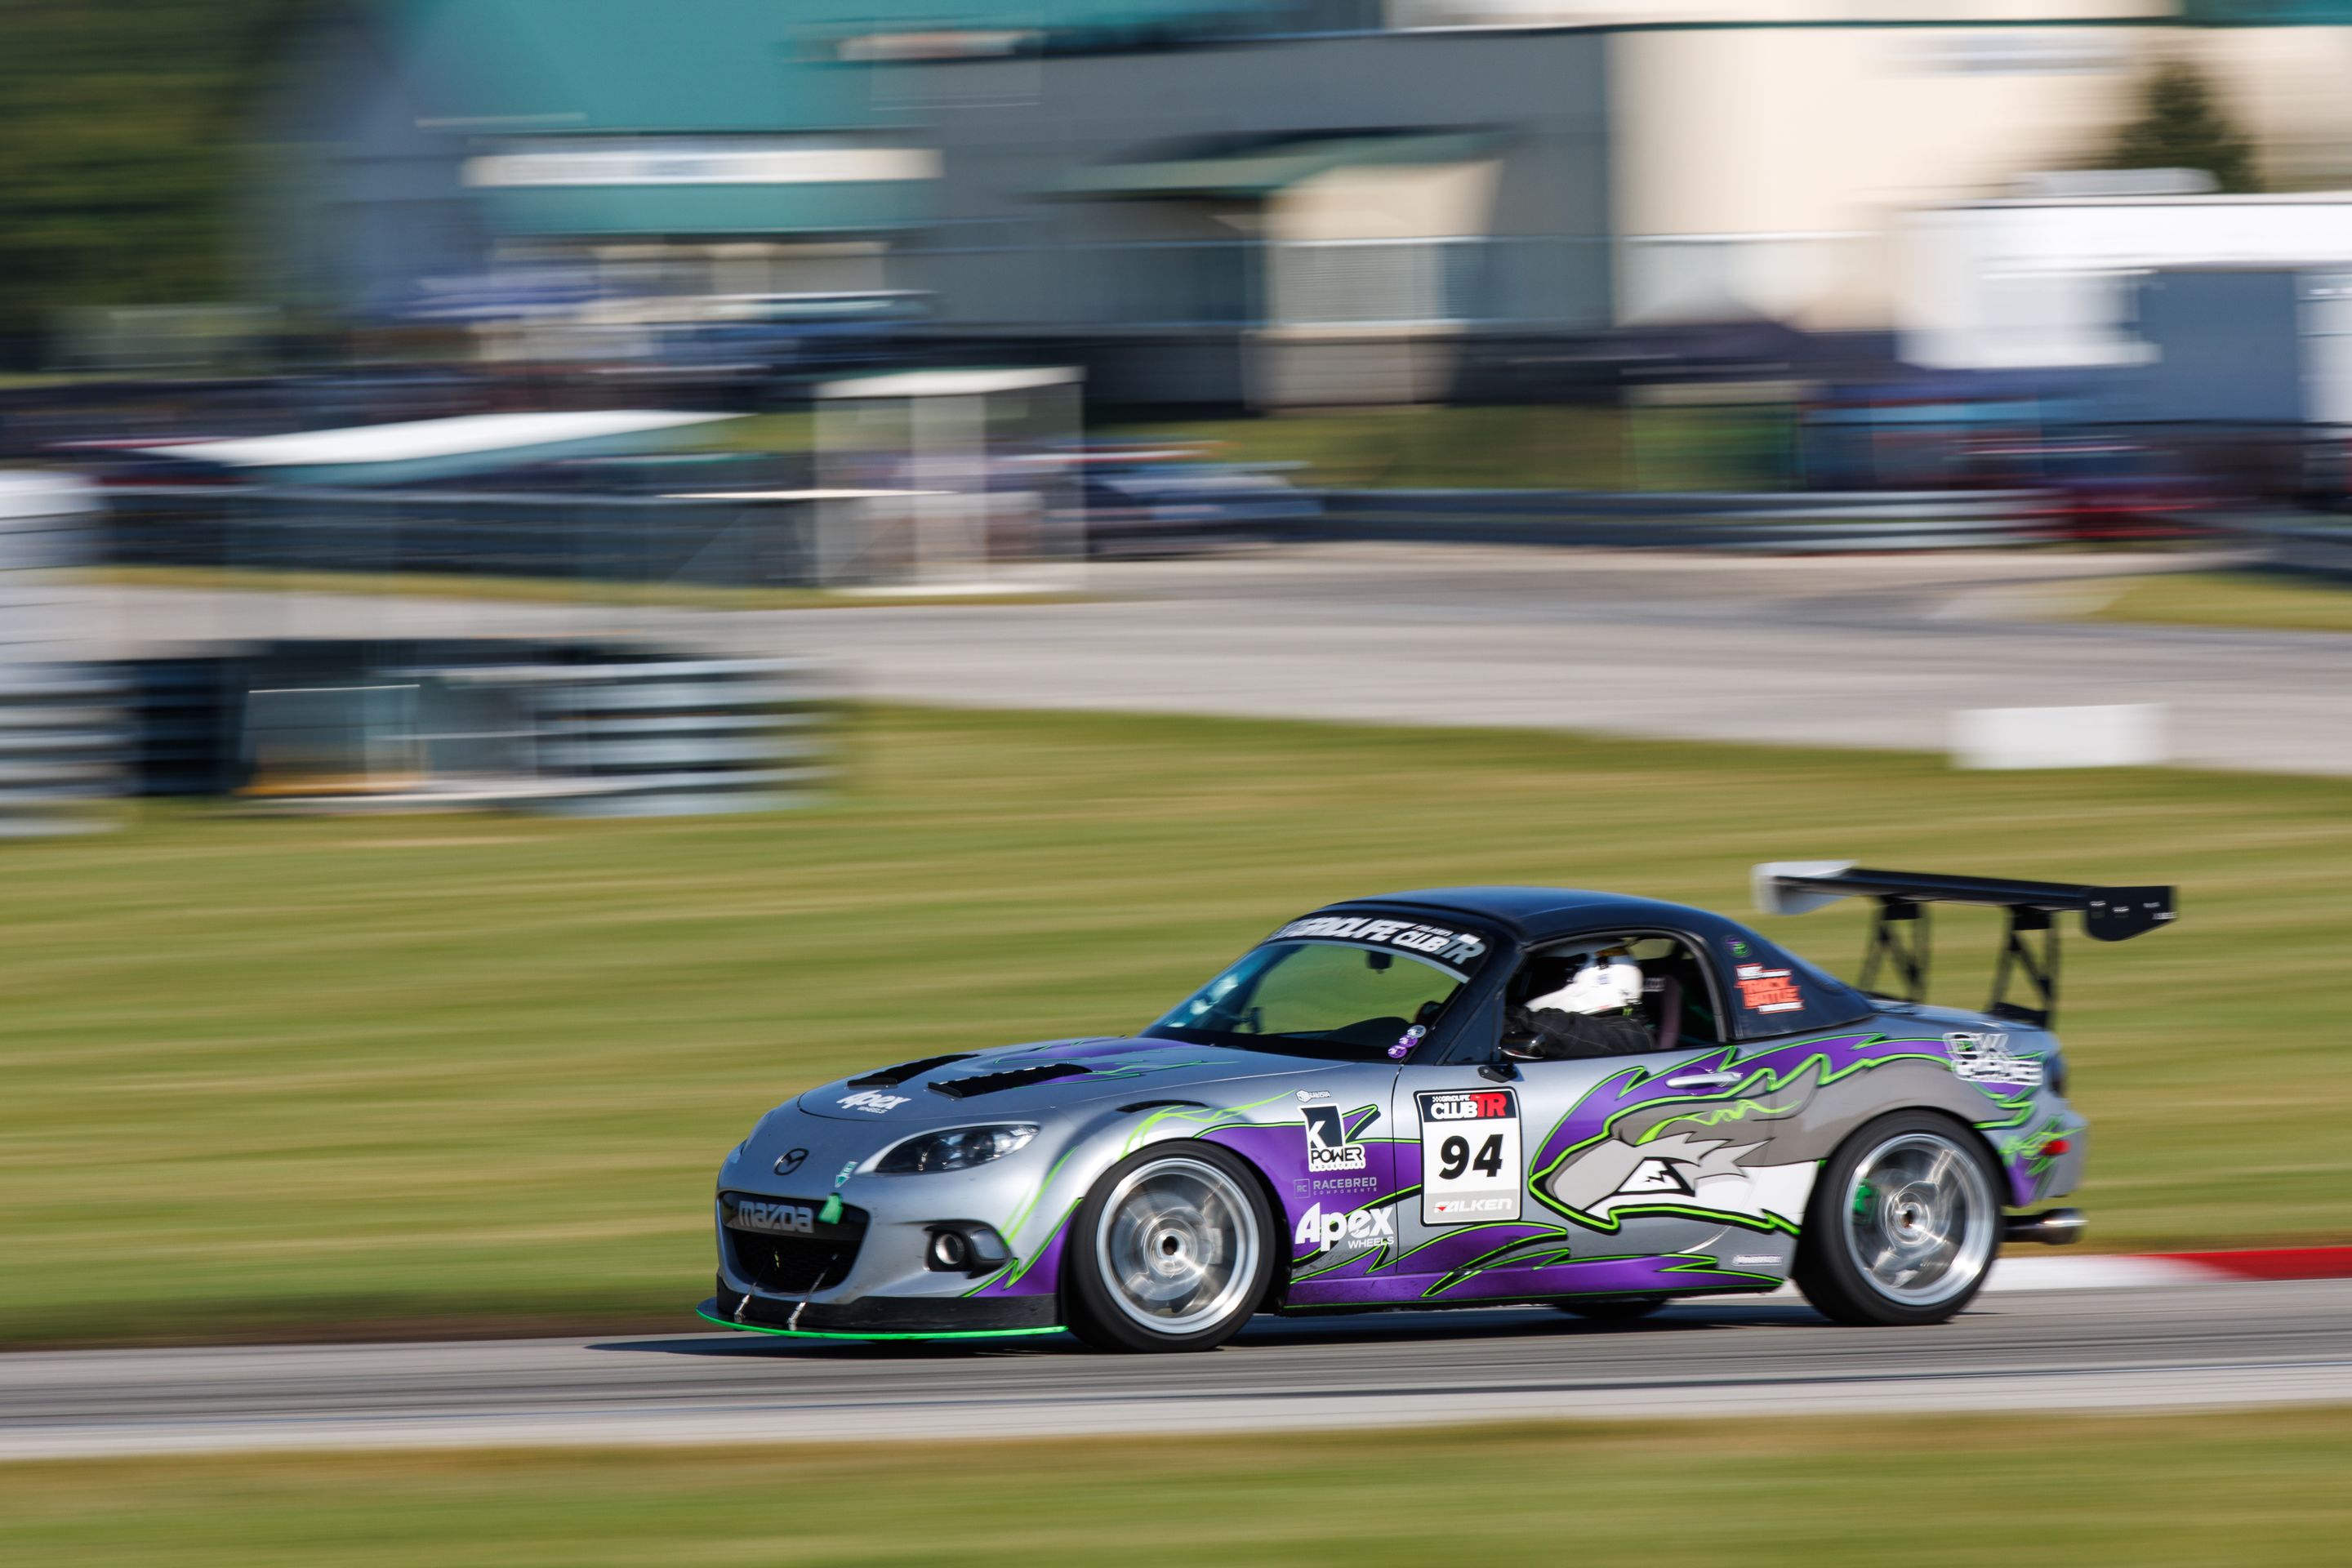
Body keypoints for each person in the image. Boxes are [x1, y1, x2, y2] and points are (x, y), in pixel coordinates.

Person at [1505, 945, 1656, 1059]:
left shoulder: (1628, 1037)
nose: (1538, 983)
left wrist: (1499, 1016)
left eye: (1546, 976)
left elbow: (1563, 1031)